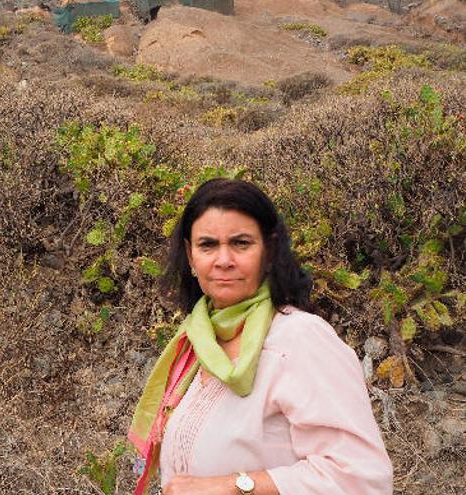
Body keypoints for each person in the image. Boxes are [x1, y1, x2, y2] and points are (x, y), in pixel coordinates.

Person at [128, 179, 393, 495]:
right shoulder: (196, 341)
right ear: (190, 255)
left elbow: (363, 477)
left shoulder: (300, 339)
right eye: (208, 245)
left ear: (269, 251)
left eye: (241, 243)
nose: (223, 260)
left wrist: (236, 486)